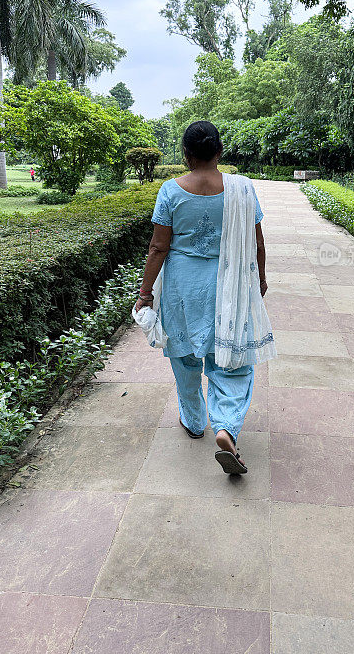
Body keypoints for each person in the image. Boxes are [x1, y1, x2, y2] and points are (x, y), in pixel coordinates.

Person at [135, 121, 276, 475]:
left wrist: (145, 293)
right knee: (231, 362)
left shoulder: (170, 190)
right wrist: (259, 280)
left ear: (185, 154)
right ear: (219, 151)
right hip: (228, 288)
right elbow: (258, 243)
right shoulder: (242, 189)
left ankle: (195, 422)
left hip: (183, 289)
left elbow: (158, 247)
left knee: (184, 358)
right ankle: (226, 426)